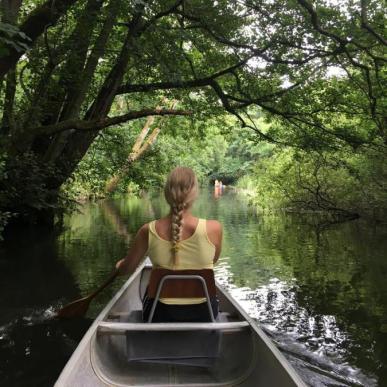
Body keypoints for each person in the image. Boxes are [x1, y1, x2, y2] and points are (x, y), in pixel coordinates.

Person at [115, 167, 223, 322]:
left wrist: (121, 265)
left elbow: (127, 269)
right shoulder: (214, 228)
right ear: (195, 194)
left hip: (158, 314)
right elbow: (213, 261)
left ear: (166, 193)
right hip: (205, 314)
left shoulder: (148, 230)